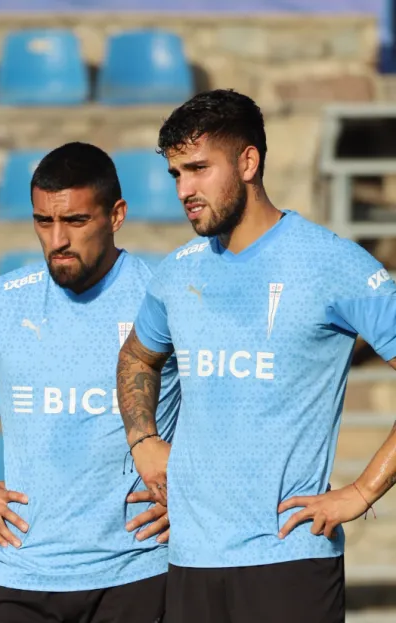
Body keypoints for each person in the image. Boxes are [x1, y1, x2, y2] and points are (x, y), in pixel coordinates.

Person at [116, 88, 396, 623]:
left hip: (288, 560)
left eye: (198, 169)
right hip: (190, 560)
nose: (185, 190)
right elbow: (137, 358)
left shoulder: (331, 262)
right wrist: (144, 440)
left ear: (248, 162)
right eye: (177, 174)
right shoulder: (178, 271)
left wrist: (360, 491)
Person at [0, 141, 182, 623]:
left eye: (76, 221)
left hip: (140, 573)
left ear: (117, 215)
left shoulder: (166, 296)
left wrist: (195, 489)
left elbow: (234, 402)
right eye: (44, 222)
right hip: (24, 575)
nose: (57, 239)